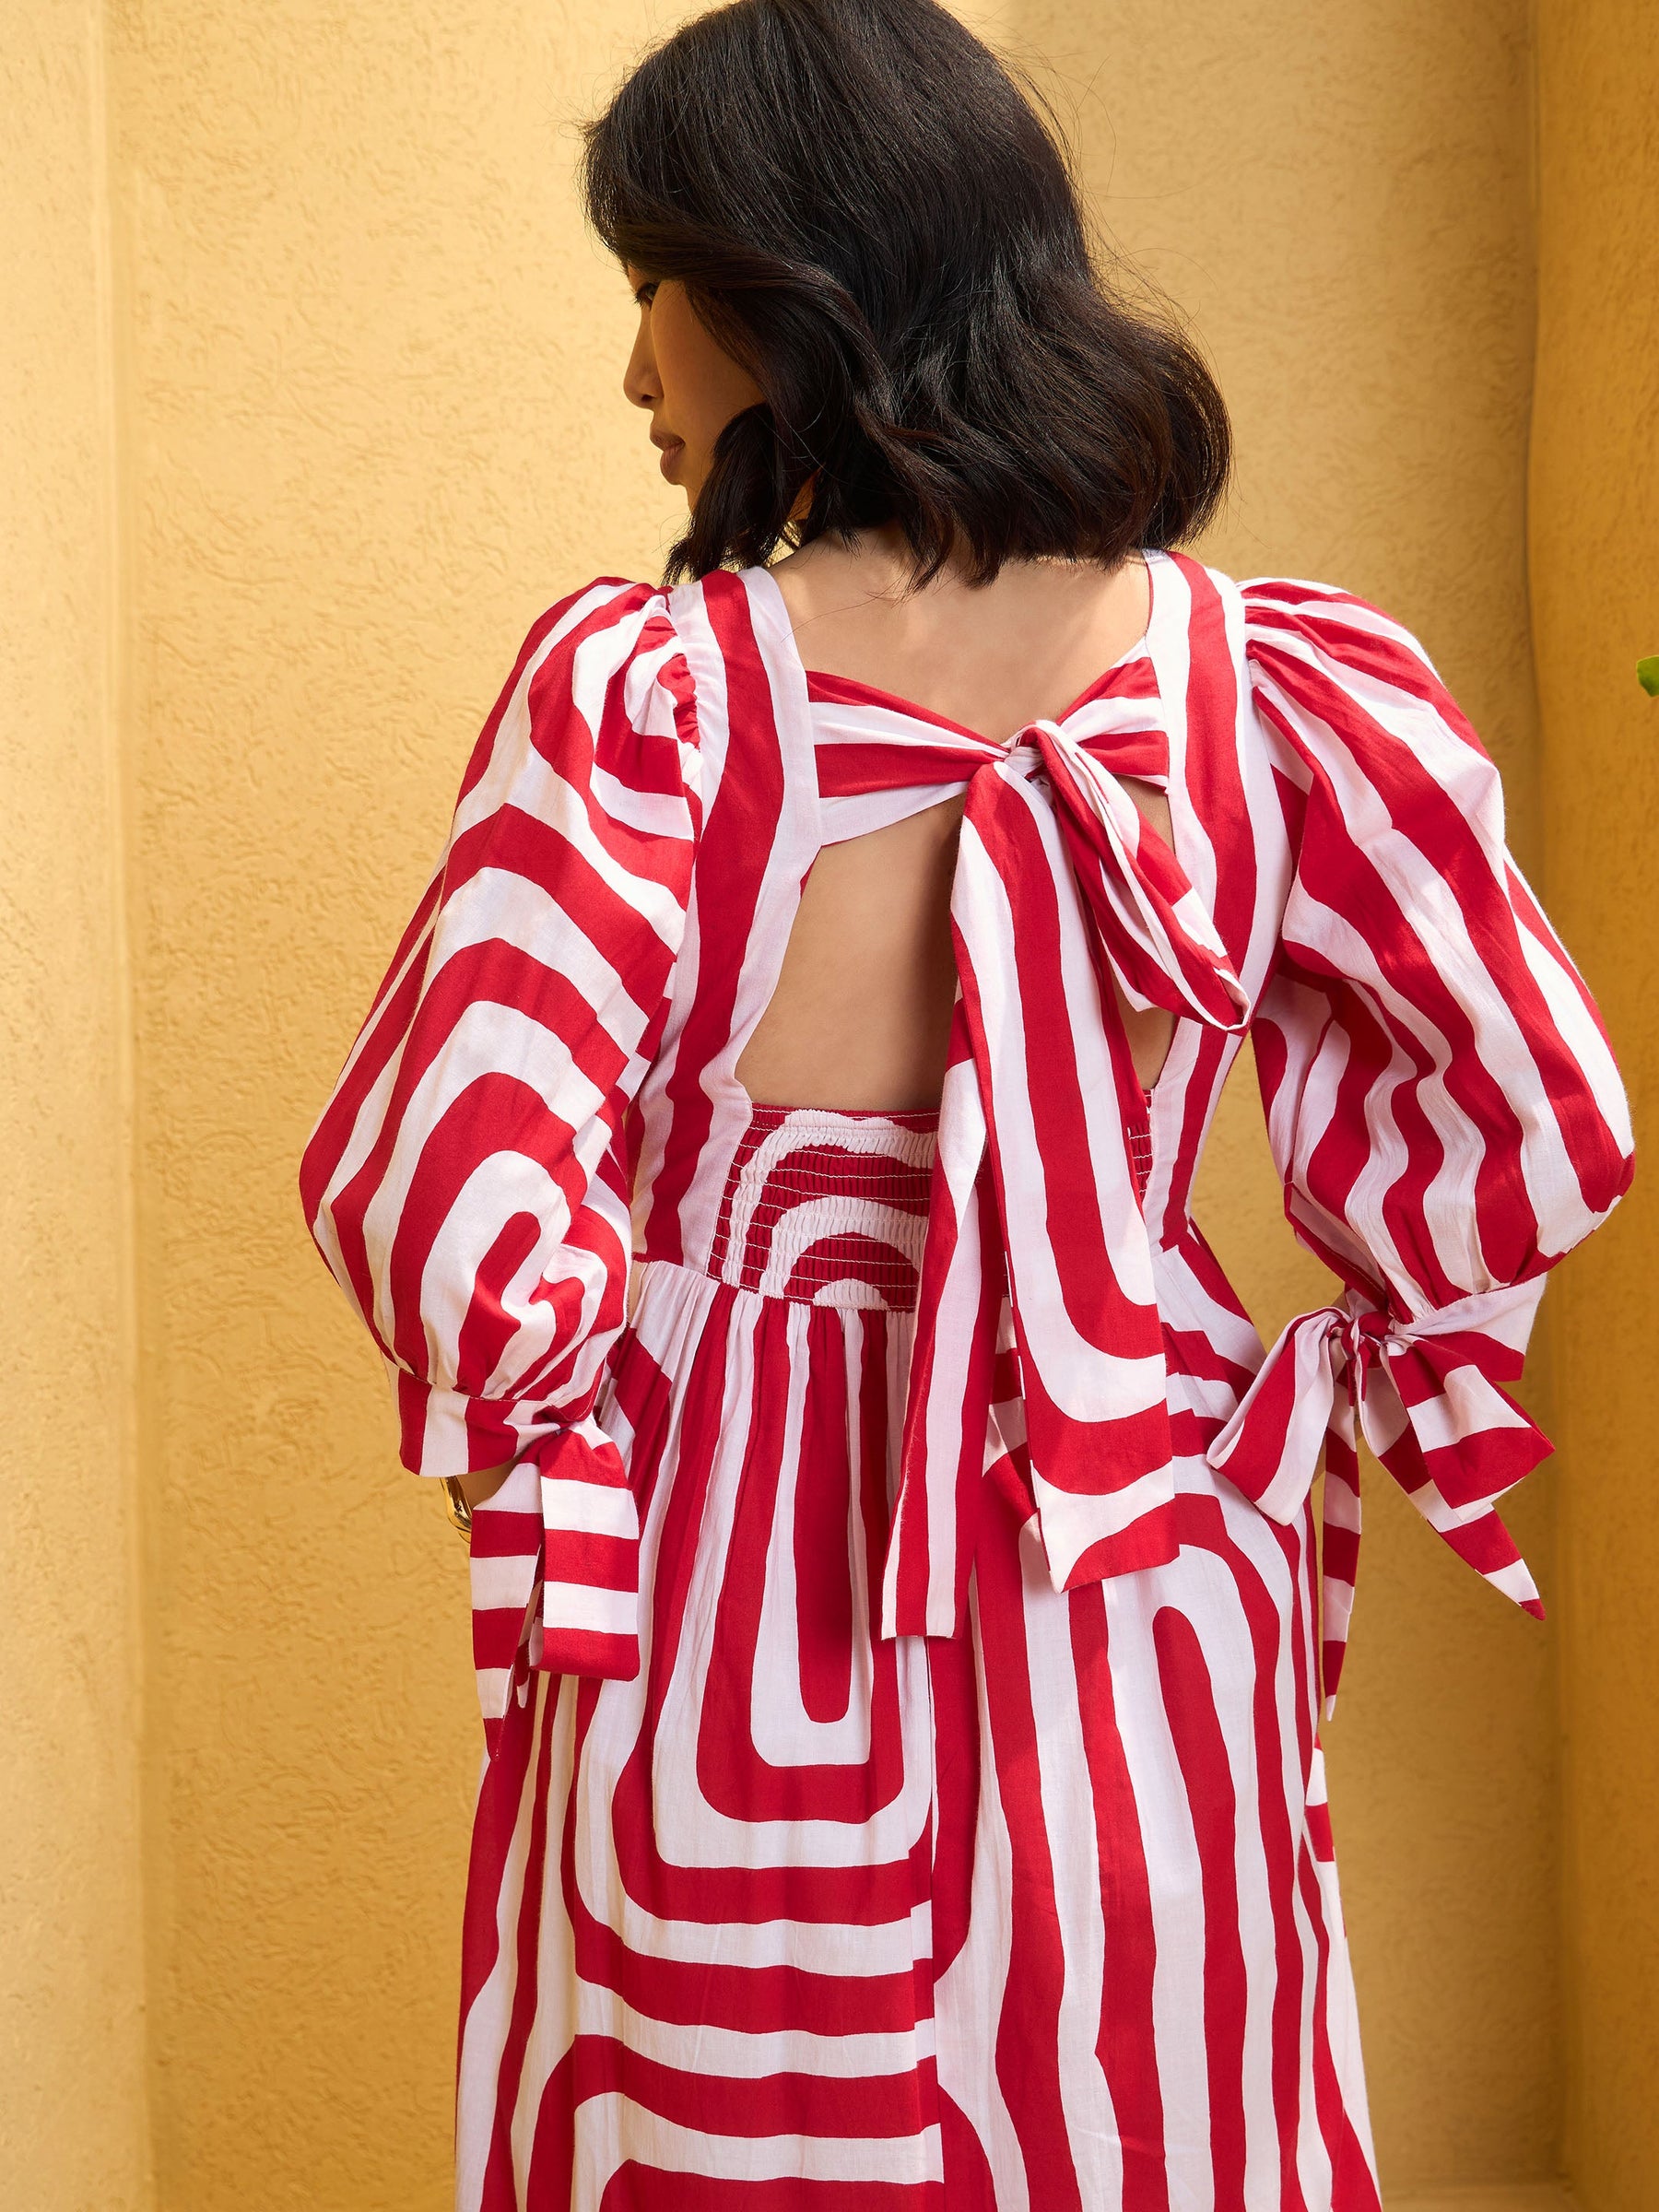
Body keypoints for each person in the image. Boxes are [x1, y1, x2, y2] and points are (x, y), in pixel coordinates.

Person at [299, 0, 1633, 2203]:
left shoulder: (652, 699)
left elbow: (449, 1181)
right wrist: (1329, 1371)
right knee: (1141, 2102)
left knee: (717, 2123)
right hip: (1131, 1534)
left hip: (726, 1575)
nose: (637, 373)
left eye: (651, 287)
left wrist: (563, 1417)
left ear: (786, 278)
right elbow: (1526, 1101)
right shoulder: (1274, 693)